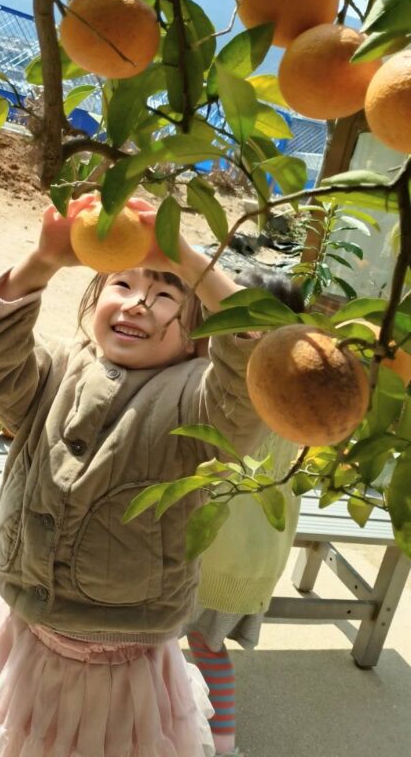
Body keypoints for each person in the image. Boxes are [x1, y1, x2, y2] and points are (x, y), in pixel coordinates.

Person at [0, 195, 276, 757]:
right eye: (121, 284)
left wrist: (193, 264)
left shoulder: (197, 404)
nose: (138, 303)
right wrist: (42, 261)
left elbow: (253, 372)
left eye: (165, 296)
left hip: (121, 670)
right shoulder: (57, 369)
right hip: (24, 633)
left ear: (199, 335)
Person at [185, 268, 305, 757]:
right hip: (254, 563)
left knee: (153, 643)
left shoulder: (230, 403)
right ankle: (223, 744)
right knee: (208, 648)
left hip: (203, 561)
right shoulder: (301, 405)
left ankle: (161, 725)